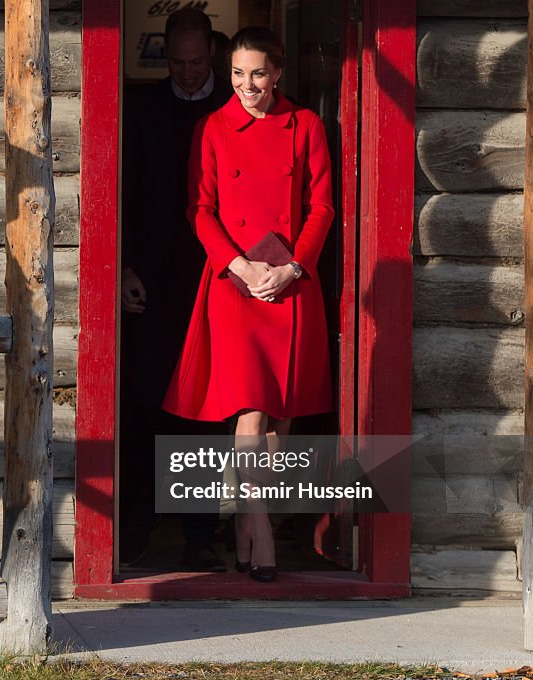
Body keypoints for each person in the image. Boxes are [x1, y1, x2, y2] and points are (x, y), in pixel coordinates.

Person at [162, 26, 335, 583]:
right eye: (238, 74)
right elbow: (200, 208)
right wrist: (238, 266)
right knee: (251, 410)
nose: (246, 85)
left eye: (257, 73)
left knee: (282, 415)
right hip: (235, 285)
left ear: (277, 72)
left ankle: (240, 527)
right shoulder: (212, 127)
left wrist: (292, 267)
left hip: (289, 281)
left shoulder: (304, 125)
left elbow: (323, 208)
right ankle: (259, 530)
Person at [120, 7, 232, 571]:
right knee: (144, 400)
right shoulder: (140, 110)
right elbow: (123, 196)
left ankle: (198, 532)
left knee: (205, 410)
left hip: (218, 281)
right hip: (151, 282)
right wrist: (122, 268)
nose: (189, 73)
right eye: (179, 63)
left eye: (198, 62)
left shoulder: (235, 110)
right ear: (165, 55)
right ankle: (139, 523)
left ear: (212, 53)